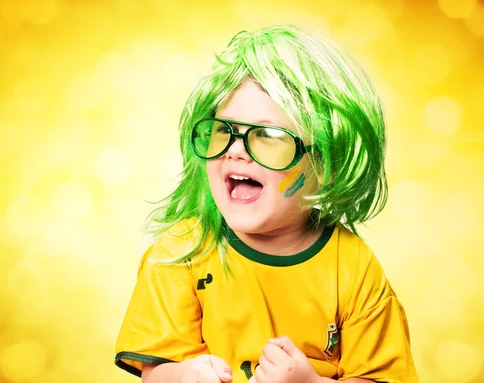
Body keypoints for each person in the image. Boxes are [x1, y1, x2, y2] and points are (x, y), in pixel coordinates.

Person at [114, 25, 418, 383]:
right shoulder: (180, 254)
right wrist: (181, 376)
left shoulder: (353, 266)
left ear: (326, 165)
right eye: (224, 130)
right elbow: (155, 373)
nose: (236, 151)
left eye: (269, 136)